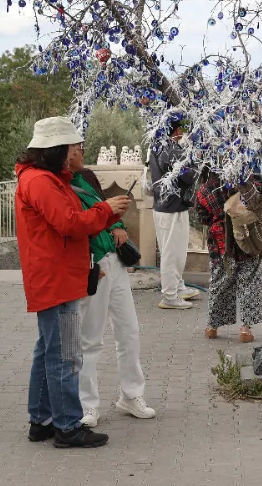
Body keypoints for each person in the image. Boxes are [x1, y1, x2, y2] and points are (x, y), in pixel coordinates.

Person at [15, 117, 129, 448]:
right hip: (57, 280)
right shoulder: (41, 182)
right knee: (65, 352)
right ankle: (67, 426)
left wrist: (106, 213)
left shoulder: (45, 178)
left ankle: (42, 419)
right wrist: (106, 210)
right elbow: (69, 224)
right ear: (53, 150)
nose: (71, 156)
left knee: (47, 349)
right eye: (68, 150)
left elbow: (71, 222)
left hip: (55, 277)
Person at [68, 147, 155, 428]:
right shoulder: (58, 183)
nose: (82, 151)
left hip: (113, 261)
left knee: (129, 330)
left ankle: (131, 395)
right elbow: (75, 223)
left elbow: (101, 208)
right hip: (93, 265)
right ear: (64, 152)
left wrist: (116, 224)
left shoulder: (87, 176)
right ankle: (86, 405)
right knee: (90, 339)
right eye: (76, 148)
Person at [195, 170, 262, 342]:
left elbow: (202, 216)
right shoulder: (247, 180)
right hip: (246, 235)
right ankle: (245, 329)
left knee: (219, 281)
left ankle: (212, 327)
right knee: (249, 280)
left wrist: (218, 219)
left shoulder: (205, 189)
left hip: (220, 241)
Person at [150, 116, 198, 309]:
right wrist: (196, 167)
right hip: (172, 206)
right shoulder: (169, 148)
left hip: (164, 205)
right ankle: (170, 295)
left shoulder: (157, 146)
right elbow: (185, 174)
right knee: (173, 253)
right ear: (176, 131)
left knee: (171, 250)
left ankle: (177, 287)